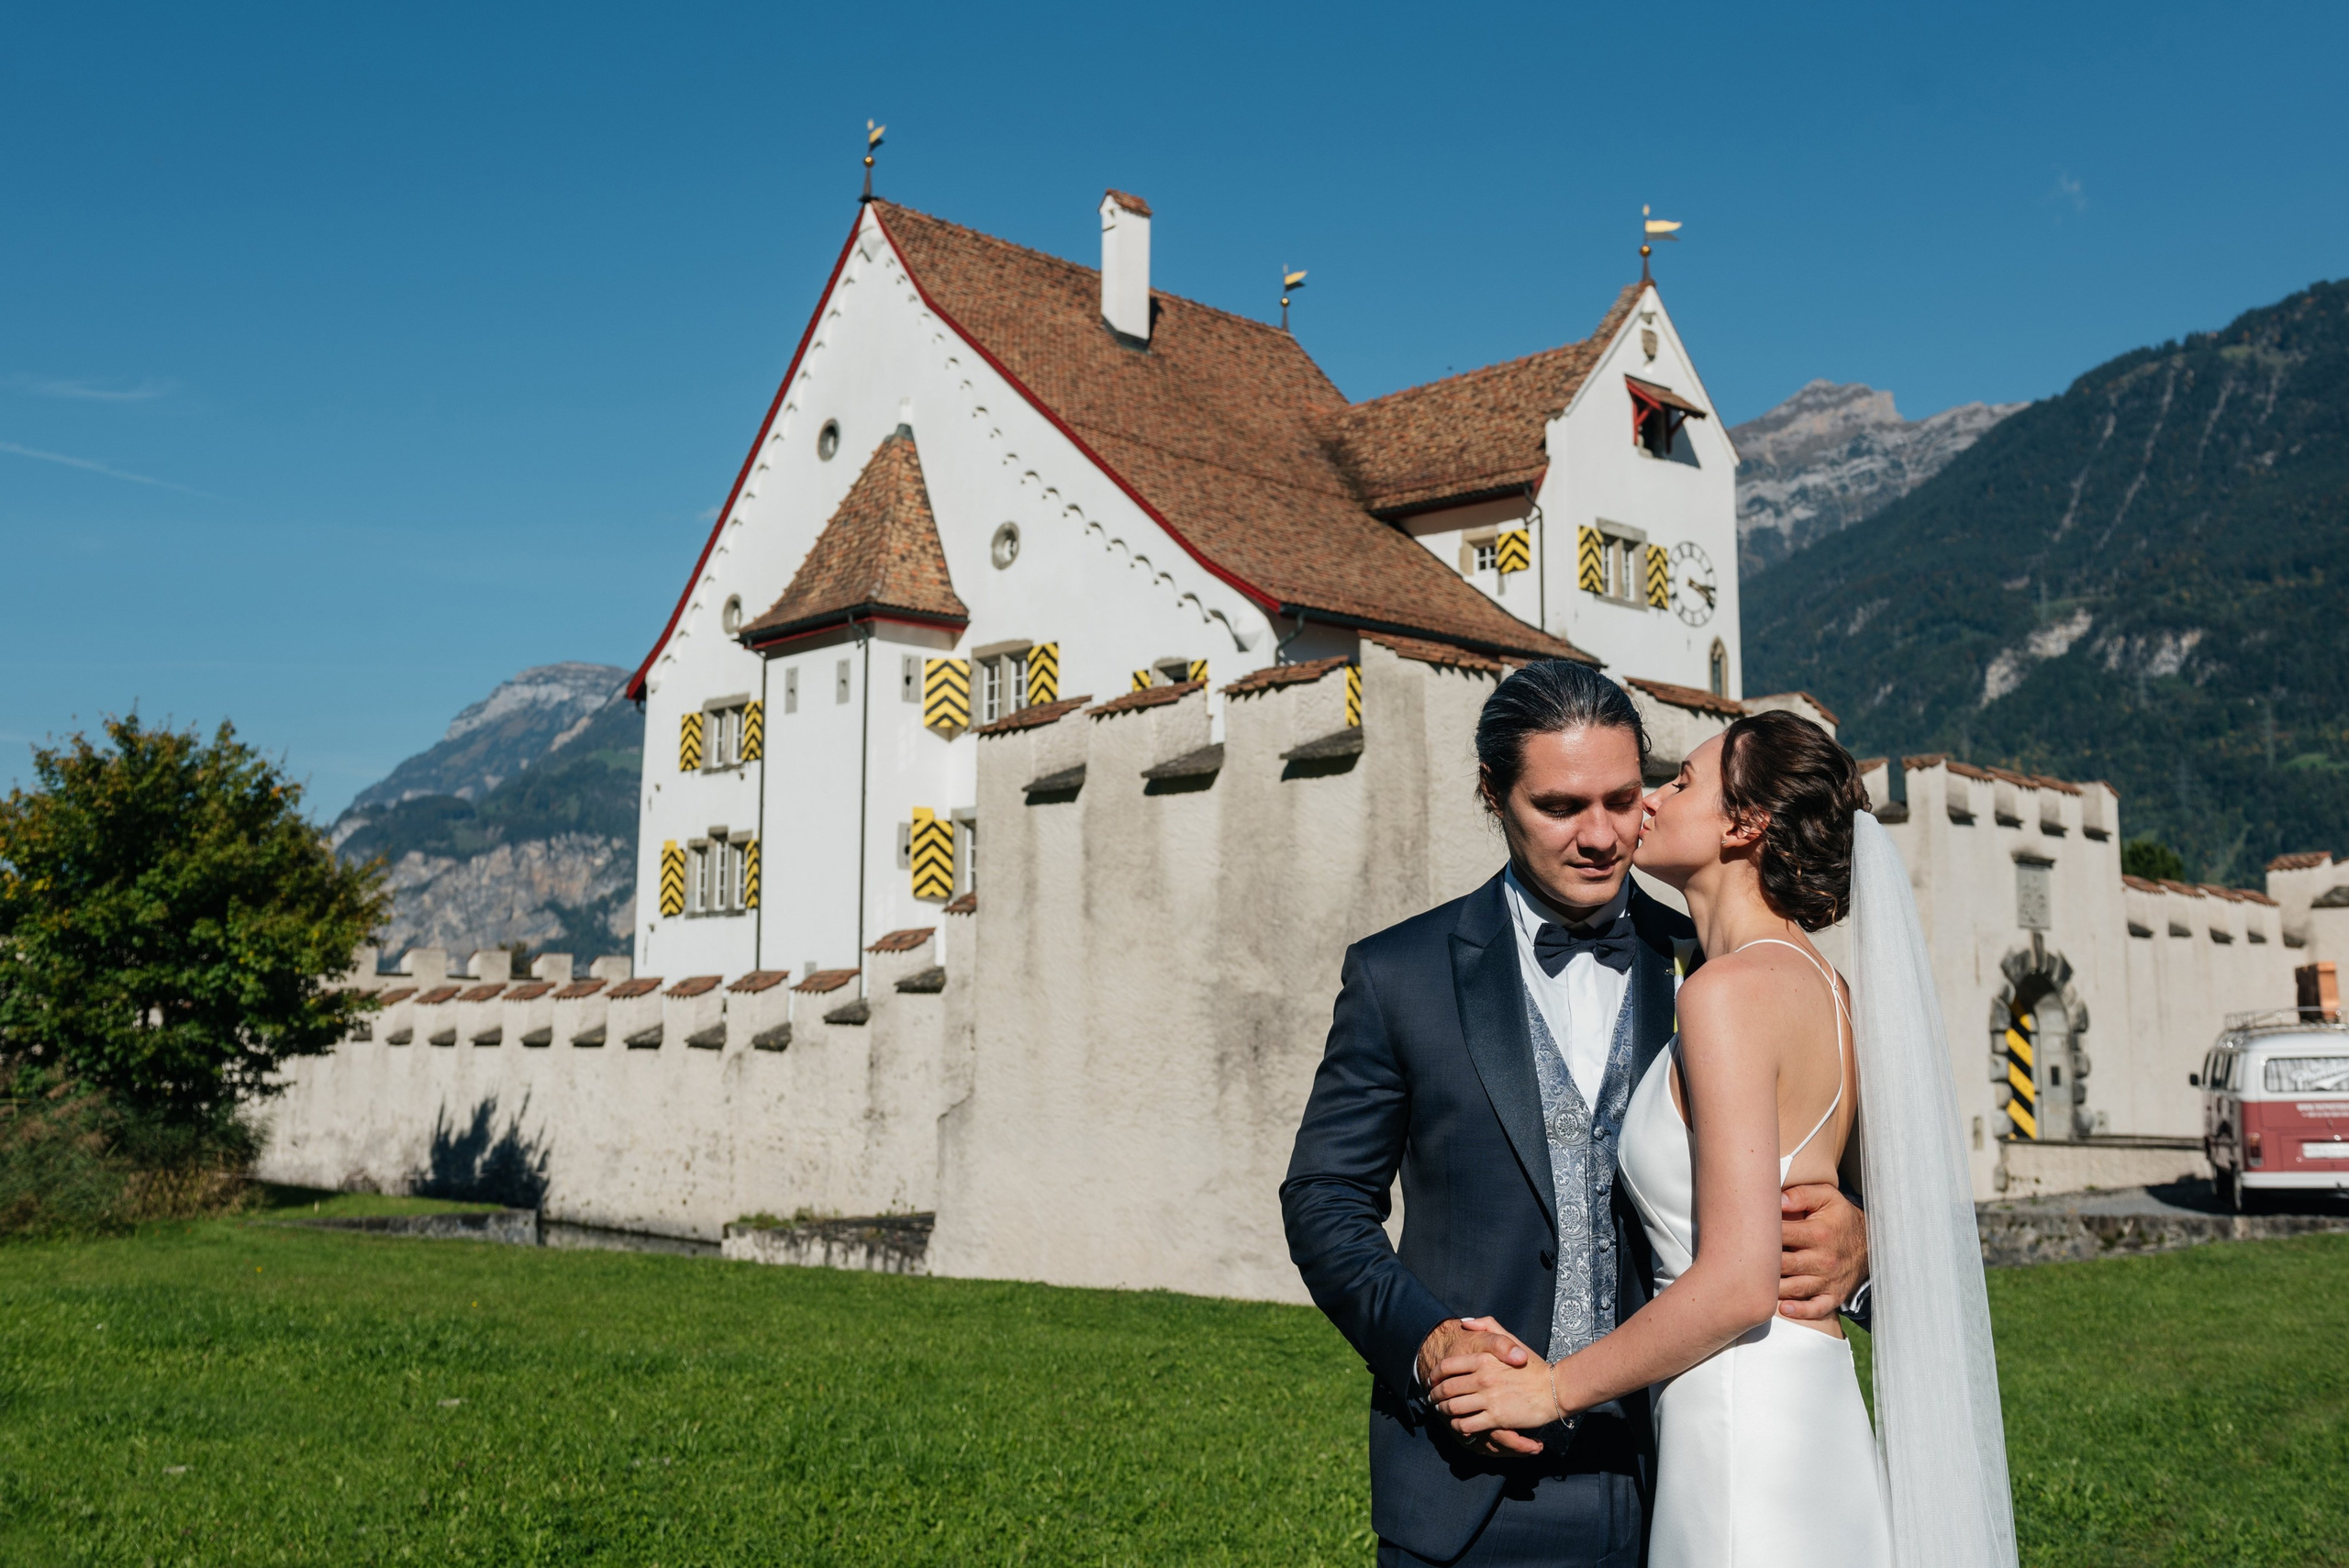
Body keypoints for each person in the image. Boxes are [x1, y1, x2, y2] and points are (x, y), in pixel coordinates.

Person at [1281, 664, 1871, 1568]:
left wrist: (1865, 1249)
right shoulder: (1397, 974)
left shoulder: (1721, 967)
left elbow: (1877, 1186)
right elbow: (1324, 1196)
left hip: (1676, 1473)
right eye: (1560, 805)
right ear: (1493, 794)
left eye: (1622, 796)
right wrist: (1426, 1343)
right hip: (1461, 1488)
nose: (1601, 835)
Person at [1430, 710, 2019, 1567]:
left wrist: (1550, 1388)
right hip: (1808, 1403)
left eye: (1683, 781)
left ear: (1744, 825)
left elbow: (1741, 1285)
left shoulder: (1725, 993)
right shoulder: (1831, 989)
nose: (1654, 799)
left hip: (1741, 1413)